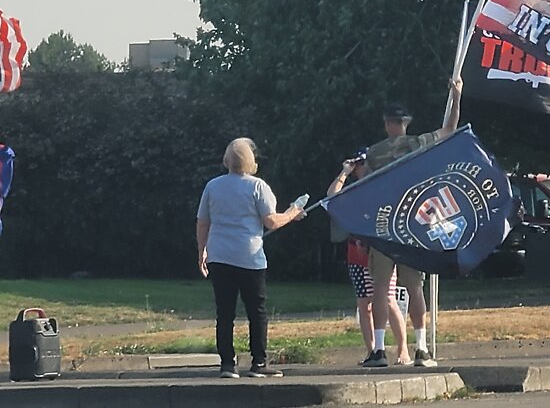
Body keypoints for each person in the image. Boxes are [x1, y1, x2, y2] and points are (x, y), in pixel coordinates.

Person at [362, 77, 463, 368]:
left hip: (382, 226)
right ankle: (421, 348)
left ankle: (379, 349)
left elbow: (364, 186)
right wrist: (456, 96)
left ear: (386, 123)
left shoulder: (374, 152)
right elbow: (450, 129)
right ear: (406, 122)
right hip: (412, 226)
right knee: (415, 288)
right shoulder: (418, 143)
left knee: (381, 289)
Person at [196, 137, 306, 379]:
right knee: (257, 311)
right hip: (249, 256)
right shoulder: (258, 186)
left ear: (227, 160)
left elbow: (203, 222)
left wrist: (202, 250)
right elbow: (271, 221)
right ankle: (259, 362)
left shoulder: (213, 186)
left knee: (224, 312)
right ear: (251, 161)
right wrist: (292, 212)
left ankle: (227, 363)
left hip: (219, 255)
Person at [326, 157, 410, 366]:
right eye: (358, 164)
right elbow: (331, 197)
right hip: (357, 255)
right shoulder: (353, 190)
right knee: (365, 304)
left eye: (363, 163)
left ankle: (403, 351)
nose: (360, 168)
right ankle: (372, 351)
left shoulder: (381, 186)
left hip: (381, 253)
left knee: (389, 299)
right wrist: (344, 173)